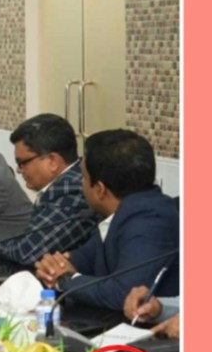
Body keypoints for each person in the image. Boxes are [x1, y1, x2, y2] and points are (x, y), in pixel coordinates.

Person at [35, 130, 179, 311]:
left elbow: (124, 294)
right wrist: (53, 268)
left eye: (84, 178)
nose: (81, 184)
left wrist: (65, 279)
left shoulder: (150, 221)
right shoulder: (127, 211)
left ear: (100, 189)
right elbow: (85, 258)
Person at [0, 113, 99, 266]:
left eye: (22, 162)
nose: (18, 170)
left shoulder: (73, 191)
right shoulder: (66, 182)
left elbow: (27, 251)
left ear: (53, 161)